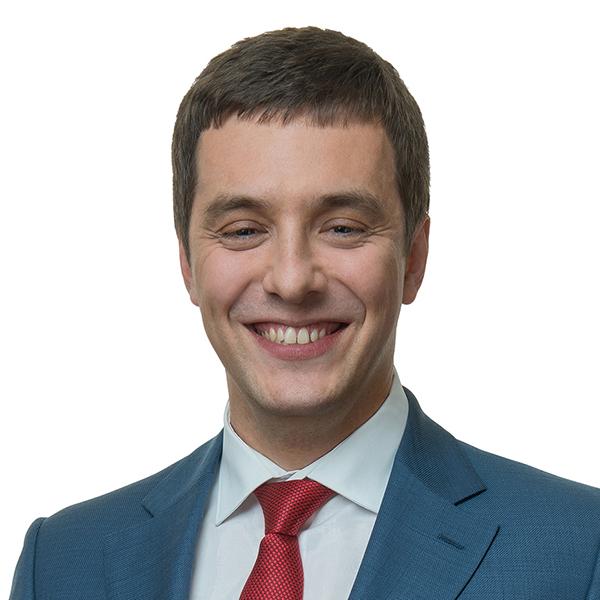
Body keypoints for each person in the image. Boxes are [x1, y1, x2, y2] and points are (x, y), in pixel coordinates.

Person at [10, 25, 600, 600]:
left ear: (413, 259)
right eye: (243, 230)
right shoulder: (61, 562)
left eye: (342, 227)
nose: (292, 280)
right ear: (188, 262)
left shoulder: (578, 553)